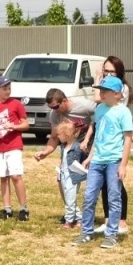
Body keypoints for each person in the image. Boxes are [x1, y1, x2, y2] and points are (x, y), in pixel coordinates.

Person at [74, 74, 133, 249]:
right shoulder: (99, 110)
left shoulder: (123, 112)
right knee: (89, 196)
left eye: (105, 91)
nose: (101, 93)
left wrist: (123, 164)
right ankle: (86, 233)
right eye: (100, 90)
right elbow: (99, 137)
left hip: (114, 161)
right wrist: (90, 158)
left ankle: (111, 234)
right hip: (97, 161)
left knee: (114, 197)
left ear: (117, 94)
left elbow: (128, 139)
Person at [35, 88, 94, 228]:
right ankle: (72, 214)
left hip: (89, 147)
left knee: (92, 182)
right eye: (51, 108)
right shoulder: (54, 115)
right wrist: (45, 152)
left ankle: (88, 216)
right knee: (63, 180)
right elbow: (54, 137)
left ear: (65, 100)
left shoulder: (85, 106)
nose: (54, 110)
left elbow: (101, 114)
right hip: (69, 150)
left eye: (56, 106)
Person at [96, 56, 133, 234]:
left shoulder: (120, 88)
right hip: (103, 144)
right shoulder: (106, 87)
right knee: (104, 183)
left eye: (112, 71)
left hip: (115, 147)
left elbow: (98, 99)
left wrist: (97, 80)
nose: (108, 74)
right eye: (106, 70)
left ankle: (121, 221)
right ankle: (109, 219)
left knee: (116, 185)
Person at [0, 75, 30, 221]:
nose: (8, 91)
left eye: (9, 88)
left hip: (14, 144)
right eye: (4, 88)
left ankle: (23, 208)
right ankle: (7, 209)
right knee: (3, 178)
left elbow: (26, 124)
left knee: (16, 175)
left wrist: (14, 126)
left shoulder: (16, 104)